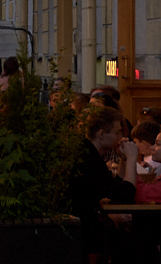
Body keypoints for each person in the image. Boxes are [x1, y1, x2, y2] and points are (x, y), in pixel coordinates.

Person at [69, 106, 138, 262]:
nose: (121, 136)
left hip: (84, 223)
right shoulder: (88, 158)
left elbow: (114, 188)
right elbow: (126, 194)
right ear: (101, 134)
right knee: (134, 240)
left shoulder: (86, 151)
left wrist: (123, 159)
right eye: (117, 132)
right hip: (83, 229)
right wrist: (133, 157)